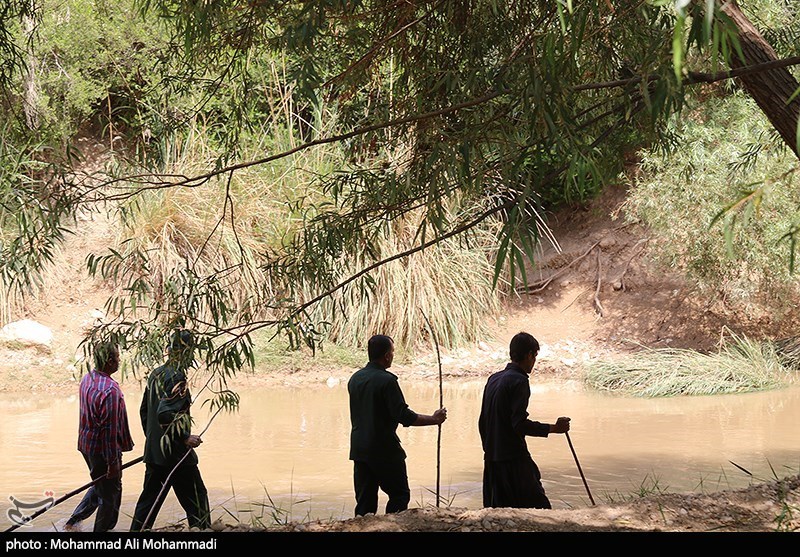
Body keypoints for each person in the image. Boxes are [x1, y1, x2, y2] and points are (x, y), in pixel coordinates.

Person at [348, 334, 447, 516]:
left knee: (364, 502)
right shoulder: (387, 381)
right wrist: (434, 419)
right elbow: (404, 416)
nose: (393, 355)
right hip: (384, 449)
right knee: (400, 495)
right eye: (392, 352)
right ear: (386, 355)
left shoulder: (355, 378)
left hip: (359, 449)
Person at [478, 331, 571, 509]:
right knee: (540, 509)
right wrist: (554, 428)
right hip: (512, 457)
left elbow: (482, 421)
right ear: (529, 355)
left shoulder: (493, 379)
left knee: (500, 511)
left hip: (492, 458)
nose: (534, 362)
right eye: (534, 356)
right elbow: (519, 424)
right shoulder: (519, 380)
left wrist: (489, 449)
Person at [130, 329, 210, 531]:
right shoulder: (177, 377)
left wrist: (154, 440)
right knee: (197, 498)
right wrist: (184, 438)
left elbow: (144, 412)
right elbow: (165, 414)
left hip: (156, 454)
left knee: (148, 503)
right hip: (176, 456)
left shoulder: (156, 374)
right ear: (187, 352)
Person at [64, 342, 134, 532]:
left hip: (86, 446)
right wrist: (113, 463)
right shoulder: (110, 391)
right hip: (103, 450)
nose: (120, 361)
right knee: (110, 495)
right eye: (118, 358)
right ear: (110, 362)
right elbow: (109, 433)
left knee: (100, 484)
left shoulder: (88, 378)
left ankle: (72, 523)